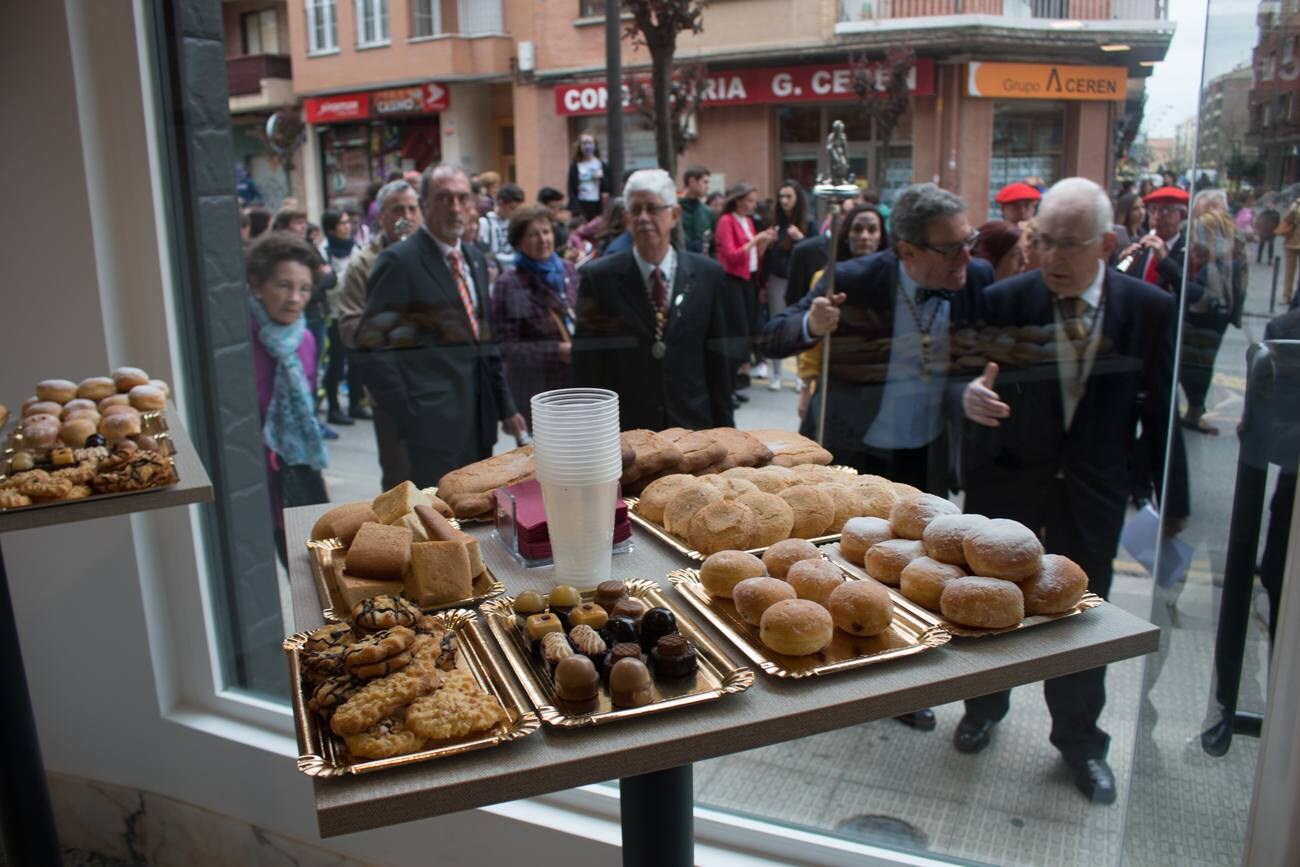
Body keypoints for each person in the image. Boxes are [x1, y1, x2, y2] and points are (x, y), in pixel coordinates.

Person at [957, 177, 1189, 804]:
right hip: (1008, 487)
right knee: (991, 611)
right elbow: (964, 377)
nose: (1051, 258)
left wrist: (1173, 503)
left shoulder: (1148, 309)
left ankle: (1080, 742)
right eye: (1042, 241)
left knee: (1080, 623)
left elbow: (1162, 410)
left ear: (1107, 243)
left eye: (1068, 245)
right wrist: (967, 399)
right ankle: (982, 708)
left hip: (1093, 493)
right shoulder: (1006, 299)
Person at [763, 185, 995, 734]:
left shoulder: (977, 280)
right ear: (909, 251)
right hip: (854, 456)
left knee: (912, 575)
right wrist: (810, 327)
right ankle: (824, 657)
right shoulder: (855, 277)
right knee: (835, 568)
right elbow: (772, 335)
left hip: (926, 453)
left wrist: (966, 394)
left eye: (970, 241)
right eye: (953, 248)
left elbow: (975, 357)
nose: (968, 256)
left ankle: (903, 687)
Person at [353, 164, 526, 487]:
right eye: (444, 198)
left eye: (462, 198)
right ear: (425, 205)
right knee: (441, 527)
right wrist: (411, 413)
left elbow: (483, 340)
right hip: (431, 432)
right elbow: (370, 348)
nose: (455, 207)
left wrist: (505, 406)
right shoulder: (399, 261)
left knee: (477, 516)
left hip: (479, 422)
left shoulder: (474, 258)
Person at [572, 168, 740, 431]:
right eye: (635, 211)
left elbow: (718, 364)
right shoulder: (598, 278)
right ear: (626, 219)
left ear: (674, 215)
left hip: (692, 428)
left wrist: (727, 434)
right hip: (625, 434)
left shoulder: (709, 275)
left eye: (652, 208)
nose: (643, 218)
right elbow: (587, 369)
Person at [246, 232, 329, 564]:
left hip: (296, 472)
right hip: (252, 480)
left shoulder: (305, 339)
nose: (295, 298)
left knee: (308, 575)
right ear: (257, 284)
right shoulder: (239, 340)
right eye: (283, 285)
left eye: (305, 288)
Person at [337, 179, 421, 490]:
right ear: (381, 215)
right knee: (401, 479)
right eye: (398, 208)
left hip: (437, 387)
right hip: (391, 390)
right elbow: (348, 326)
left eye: (413, 208)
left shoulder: (433, 255)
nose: (407, 215)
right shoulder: (364, 264)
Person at [791, 203, 889, 420]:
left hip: (883, 386)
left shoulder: (894, 280)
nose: (864, 236)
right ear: (846, 235)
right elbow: (814, 340)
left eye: (872, 230)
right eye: (857, 229)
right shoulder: (826, 280)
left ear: (882, 236)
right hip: (836, 385)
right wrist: (806, 389)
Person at [491, 204, 580, 429]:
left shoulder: (569, 270)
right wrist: (557, 351)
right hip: (537, 390)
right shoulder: (509, 283)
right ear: (519, 241)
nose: (542, 239)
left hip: (575, 384)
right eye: (533, 234)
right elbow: (507, 347)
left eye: (546, 231)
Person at [1179, 195, 1241, 435]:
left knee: (1197, 363)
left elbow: (1206, 296)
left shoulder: (1215, 264)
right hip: (1214, 319)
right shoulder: (1226, 259)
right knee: (1199, 363)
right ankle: (1195, 410)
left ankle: (1195, 410)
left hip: (1205, 319)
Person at [717, 182, 777, 399]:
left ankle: (734, 383)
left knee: (746, 330)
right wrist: (756, 239)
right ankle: (728, 386)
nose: (753, 205)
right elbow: (732, 255)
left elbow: (754, 255)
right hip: (732, 280)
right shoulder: (726, 220)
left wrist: (765, 241)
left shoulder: (749, 221)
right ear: (739, 200)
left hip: (749, 279)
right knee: (736, 330)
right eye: (750, 200)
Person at [763, 181, 816, 391]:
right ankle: (775, 375)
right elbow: (767, 258)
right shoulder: (773, 222)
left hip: (799, 281)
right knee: (776, 325)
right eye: (781, 196)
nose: (784, 201)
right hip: (776, 280)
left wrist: (800, 239)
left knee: (797, 326)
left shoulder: (808, 222)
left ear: (798, 199)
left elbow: (815, 251)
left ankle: (799, 376)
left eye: (789, 196)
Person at [317, 208, 367, 426]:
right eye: (342, 223)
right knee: (336, 363)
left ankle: (356, 403)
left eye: (348, 222)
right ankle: (333, 409)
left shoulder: (356, 248)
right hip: (335, 314)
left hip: (357, 311)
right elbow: (328, 287)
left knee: (357, 362)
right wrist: (347, 276)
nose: (347, 226)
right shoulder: (322, 252)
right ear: (331, 229)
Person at [1119, 185, 1188, 296]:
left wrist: (1164, 261)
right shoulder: (1137, 243)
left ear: (1182, 215)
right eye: (1153, 209)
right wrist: (1121, 266)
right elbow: (1115, 281)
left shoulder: (1187, 251)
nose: (1156, 216)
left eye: (1164, 210)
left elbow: (1186, 290)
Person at [479, 183, 525, 275]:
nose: (515, 212)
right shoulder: (485, 222)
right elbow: (483, 252)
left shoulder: (516, 222)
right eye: (512, 208)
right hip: (496, 271)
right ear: (500, 203)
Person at [567, 133, 611, 221]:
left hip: (597, 205)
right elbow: (571, 188)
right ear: (580, 146)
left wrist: (601, 178)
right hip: (581, 204)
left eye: (590, 143)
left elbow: (608, 188)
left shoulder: (601, 164)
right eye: (584, 143)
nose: (587, 146)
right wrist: (576, 209)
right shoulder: (575, 165)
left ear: (595, 145)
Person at [679, 165, 714, 254]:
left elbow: (713, 243)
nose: (707, 187)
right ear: (692, 181)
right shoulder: (673, 209)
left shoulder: (707, 211)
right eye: (705, 182)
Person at [1254, 192, 1280, 265]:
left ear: (1274, 205)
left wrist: (1276, 231)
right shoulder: (1264, 212)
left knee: (1271, 245)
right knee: (1261, 244)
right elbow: (1259, 221)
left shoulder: (1276, 214)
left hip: (1272, 232)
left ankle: (1270, 259)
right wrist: (1258, 230)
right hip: (1264, 231)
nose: (1270, 205)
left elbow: (1277, 223)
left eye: (1271, 204)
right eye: (1269, 204)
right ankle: (1259, 257)